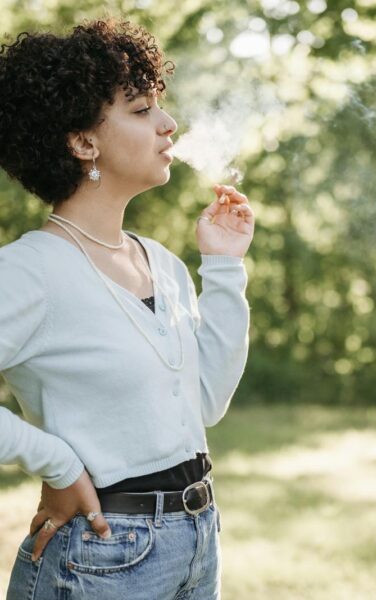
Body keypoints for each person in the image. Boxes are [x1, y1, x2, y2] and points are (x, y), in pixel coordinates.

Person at [0, 18, 254, 600]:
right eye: (140, 111)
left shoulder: (161, 262)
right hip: (100, 556)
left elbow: (209, 402)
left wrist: (222, 266)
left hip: (198, 539)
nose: (169, 124)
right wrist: (57, 464)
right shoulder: (29, 271)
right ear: (82, 142)